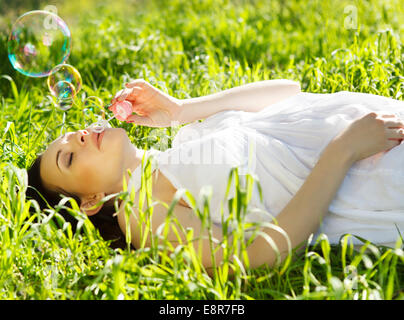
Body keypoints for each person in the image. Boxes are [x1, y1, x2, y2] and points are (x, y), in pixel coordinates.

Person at [26, 78, 404, 273]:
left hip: (375, 132)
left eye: (70, 136)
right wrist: (343, 151)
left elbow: (287, 92)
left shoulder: (174, 152)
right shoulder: (141, 213)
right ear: (90, 203)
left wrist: (181, 110)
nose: (78, 137)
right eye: (69, 159)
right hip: (372, 176)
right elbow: (257, 255)